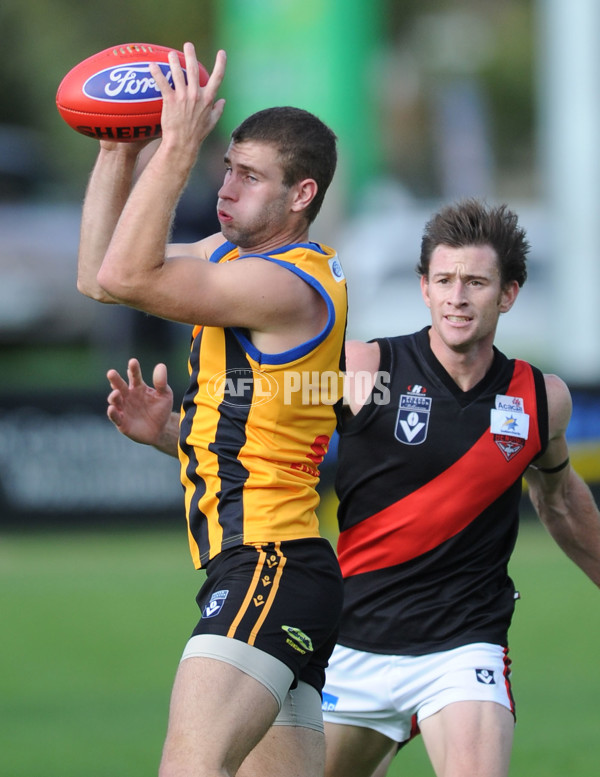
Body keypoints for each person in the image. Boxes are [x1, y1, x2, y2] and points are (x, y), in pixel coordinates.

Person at [76, 42, 348, 777]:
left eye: (250, 176)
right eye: (225, 166)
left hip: (267, 568)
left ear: (301, 195)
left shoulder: (286, 285)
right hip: (280, 574)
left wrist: (176, 145)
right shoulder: (231, 260)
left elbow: (126, 275)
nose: (226, 186)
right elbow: (99, 276)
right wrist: (118, 147)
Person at [321, 198, 600, 777]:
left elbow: (562, 503)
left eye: (476, 281)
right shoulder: (365, 371)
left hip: (462, 647)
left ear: (508, 294)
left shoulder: (539, 399)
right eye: (444, 279)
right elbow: (259, 438)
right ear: (424, 288)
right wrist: (168, 431)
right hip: (351, 642)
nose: (457, 296)